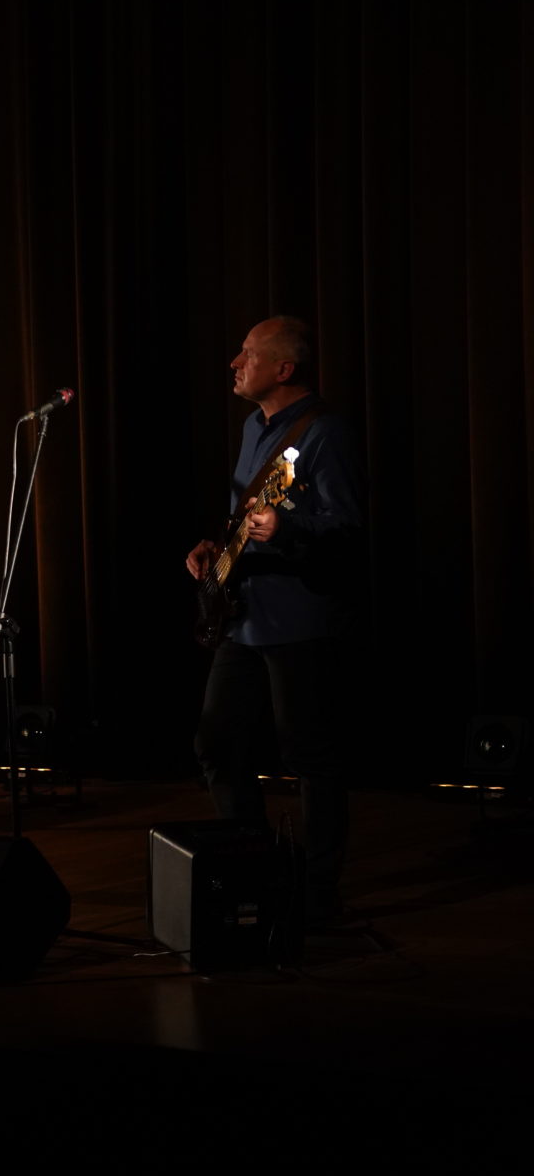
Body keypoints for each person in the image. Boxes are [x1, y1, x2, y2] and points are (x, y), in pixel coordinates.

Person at [186, 316, 365, 927]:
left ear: (283, 368)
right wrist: (219, 550)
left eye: (248, 354)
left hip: (301, 619)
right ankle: (256, 867)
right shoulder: (252, 429)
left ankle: (318, 892)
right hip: (245, 618)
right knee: (217, 742)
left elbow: (345, 530)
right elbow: (248, 518)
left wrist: (285, 530)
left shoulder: (325, 433)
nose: (235, 363)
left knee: (310, 755)